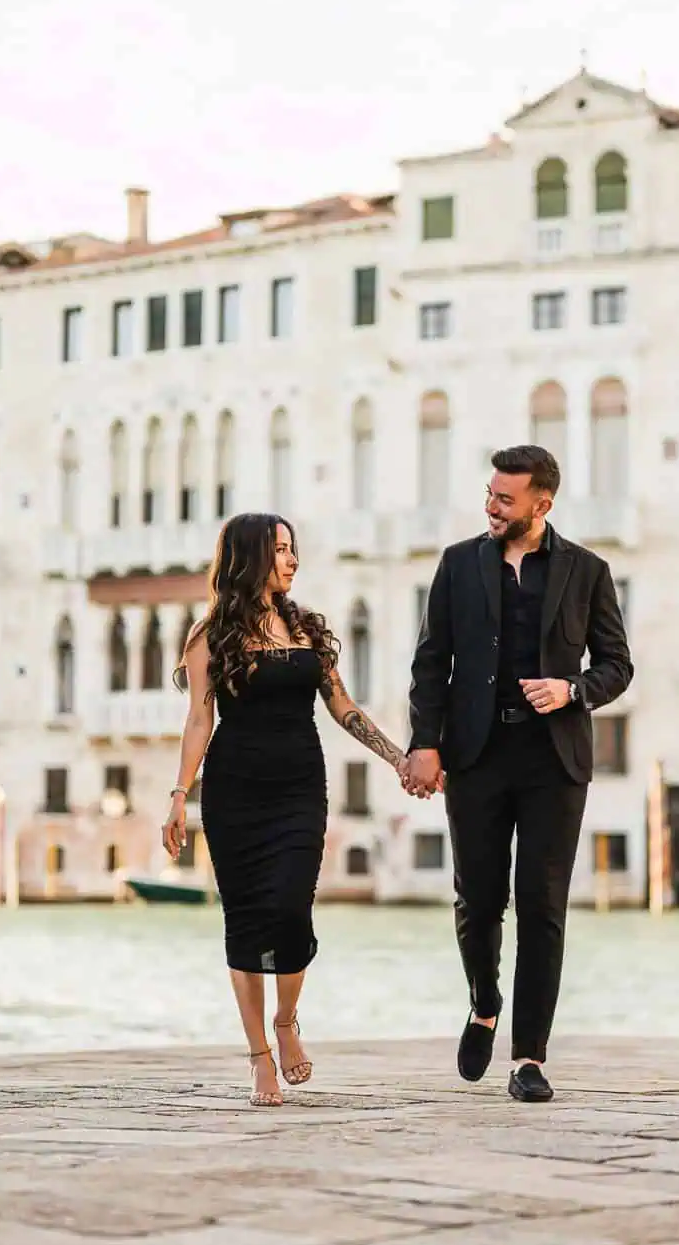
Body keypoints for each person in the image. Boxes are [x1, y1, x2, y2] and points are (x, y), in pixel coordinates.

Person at [402, 445, 633, 1102]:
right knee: (477, 901)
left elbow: (617, 665)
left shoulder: (587, 571)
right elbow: (430, 664)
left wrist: (572, 690)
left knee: (542, 907)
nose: (491, 506)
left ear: (542, 503)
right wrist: (425, 744)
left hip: (553, 762)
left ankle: (528, 1058)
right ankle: (483, 1001)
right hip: (474, 755)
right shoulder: (455, 565)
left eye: (505, 498)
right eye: (489, 494)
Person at [163, 513, 407, 1107]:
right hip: (234, 791)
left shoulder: (306, 629)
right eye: (280, 550)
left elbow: (342, 705)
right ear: (250, 557)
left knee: (292, 909)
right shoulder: (209, 636)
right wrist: (178, 795)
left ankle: (286, 1019)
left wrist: (397, 757)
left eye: (294, 548)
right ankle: (258, 1058)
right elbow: (200, 719)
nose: (292, 560)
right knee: (245, 921)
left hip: (300, 787)